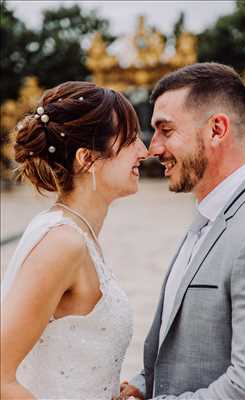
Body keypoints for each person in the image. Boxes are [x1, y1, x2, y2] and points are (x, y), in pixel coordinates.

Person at [118, 63, 245, 400]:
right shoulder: (209, 215)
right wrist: (143, 385)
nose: (153, 148)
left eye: (165, 130)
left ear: (216, 130)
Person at [1, 81, 148, 400]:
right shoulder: (62, 243)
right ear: (87, 159)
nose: (144, 151)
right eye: (131, 140)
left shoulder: (77, 234)